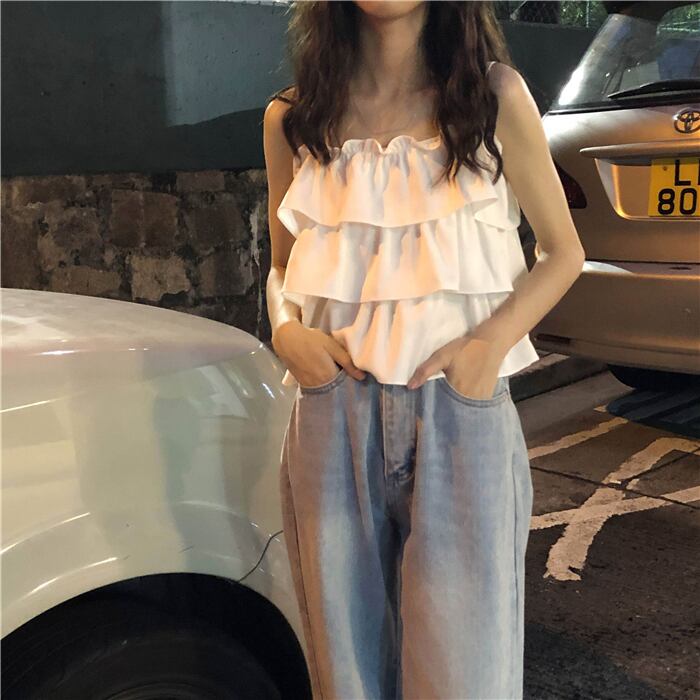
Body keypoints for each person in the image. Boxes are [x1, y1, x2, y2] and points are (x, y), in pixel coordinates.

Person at [263, 2, 585, 698]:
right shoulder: (293, 116)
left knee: (466, 677)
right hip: (330, 415)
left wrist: (487, 347)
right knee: (345, 675)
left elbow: (564, 251)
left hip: (459, 415)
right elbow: (282, 265)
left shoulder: (492, 97)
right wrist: (286, 330)